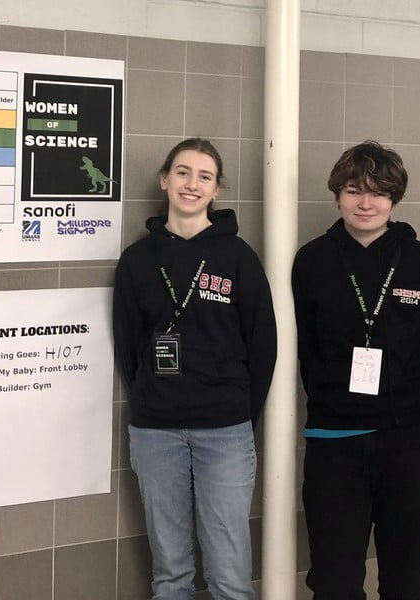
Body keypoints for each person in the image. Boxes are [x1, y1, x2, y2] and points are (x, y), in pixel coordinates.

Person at [292, 141, 420, 599]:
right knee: (334, 582)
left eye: (378, 192)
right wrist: (332, 395)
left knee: (408, 581)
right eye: (354, 190)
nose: (365, 203)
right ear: (337, 195)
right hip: (336, 441)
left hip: (413, 444)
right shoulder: (312, 261)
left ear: (394, 199)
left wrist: (418, 399)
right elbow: (304, 347)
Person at [113, 137, 277, 600]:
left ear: (217, 189)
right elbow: (129, 346)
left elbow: (262, 345)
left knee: (229, 576)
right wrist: (153, 396)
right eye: (183, 172)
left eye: (205, 176)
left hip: (224, 430)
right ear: (164, 179)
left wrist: (239, 412)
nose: (192, 184)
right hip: (155, 431)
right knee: (170, 573)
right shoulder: (137, 260)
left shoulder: (239, 257)